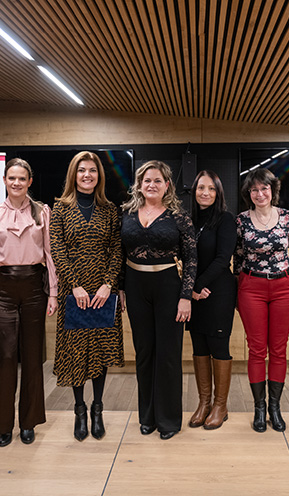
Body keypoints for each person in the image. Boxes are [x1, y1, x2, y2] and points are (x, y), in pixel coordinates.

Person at [0, 158, 58, 448]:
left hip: (34, 288)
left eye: (22, 178)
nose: (16, 183)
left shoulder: (42, 212)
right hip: (3, 291)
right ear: (4, 180)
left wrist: (53, 292)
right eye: (11, 178)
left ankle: (28, 423)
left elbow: (49, 253)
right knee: (6, 357)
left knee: (33, 357)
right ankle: (4, 426)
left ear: (29, 182)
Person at [50, 151, 124, 441]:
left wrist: (108, 284)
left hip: (103, 292)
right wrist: (75, 285)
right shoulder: (60, 208)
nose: (87, 175)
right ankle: (79, 410)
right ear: (74, 174)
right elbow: (57, 249)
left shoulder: (109, 209)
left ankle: (97, 409)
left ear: (99, 175)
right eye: (82, 170)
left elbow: (117, 249)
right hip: (74, 292)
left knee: (100, 351)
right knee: (77, 352)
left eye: (92, 170)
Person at [120, 160, 197, 440]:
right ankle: (147, 417)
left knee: (168, 354)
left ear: (167, 185)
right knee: (144, 353)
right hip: (135, 285)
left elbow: (191, 259)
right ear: (139, 185)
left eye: (157, 180)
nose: (151, 185)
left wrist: (185, 296)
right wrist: (120, 288)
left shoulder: (179, 217)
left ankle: (168, 420)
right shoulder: (126, 214)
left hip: (168, 286)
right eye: (147, 180)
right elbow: (119, 253)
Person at [234, 169, 289, 433]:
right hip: (252, 287)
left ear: (273, 190)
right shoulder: (241, 221)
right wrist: (238, 290)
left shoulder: (287, 218)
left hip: (284, 287)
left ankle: (275, 407)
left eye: (264, 188)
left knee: (279, 349)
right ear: (248, 194)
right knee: (257, 349)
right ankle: (259, 409)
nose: (260, 194)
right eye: (254, 190)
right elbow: (238, 257)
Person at [187, 171, 237, 430]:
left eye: (211, 188)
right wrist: (191, 289)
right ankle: (204, 402)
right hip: (195, 295)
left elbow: (222, 258)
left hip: (218, 291)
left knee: (218, 347)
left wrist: (197, 285)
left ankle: (220, 405)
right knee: (199, 347)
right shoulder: (189, 219)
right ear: (194, 191)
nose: (205, 193)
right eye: (200, 188)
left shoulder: (225, 219)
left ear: (218, 193)